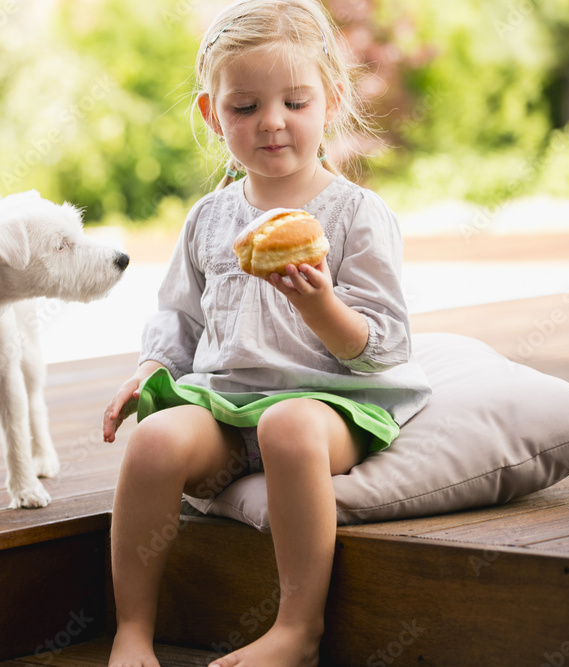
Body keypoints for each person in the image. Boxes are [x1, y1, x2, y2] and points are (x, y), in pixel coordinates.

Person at [101, 1, 432, 665]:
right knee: (154, 442)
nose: (272, 121)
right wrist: (150, 369)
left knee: (287, 424)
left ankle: (297, 630)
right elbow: (180, 317)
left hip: (332, 403)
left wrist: (321, 307)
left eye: (295, 102)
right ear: (211, 114)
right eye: (245, 106)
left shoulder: (356, 214)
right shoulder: (210, 218)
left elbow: (385, 343)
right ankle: (132, 629)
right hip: (229, 402)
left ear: (331, 101)